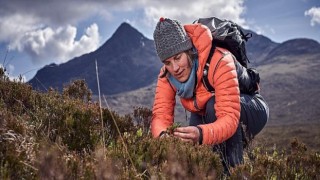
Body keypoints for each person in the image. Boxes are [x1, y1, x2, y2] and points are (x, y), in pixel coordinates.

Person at [151, 17, 269, 172]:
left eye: (178, 58)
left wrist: (201, 134)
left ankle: (235, 173)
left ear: (188, 50)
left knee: (213, 107)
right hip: (208, 111)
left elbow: (229, 118)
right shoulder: (167, 75)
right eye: (167, 62)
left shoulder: (220, 59)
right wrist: (163, 136)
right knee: (196, 154)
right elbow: (160, 116)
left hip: (251, 109)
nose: (175, 68)